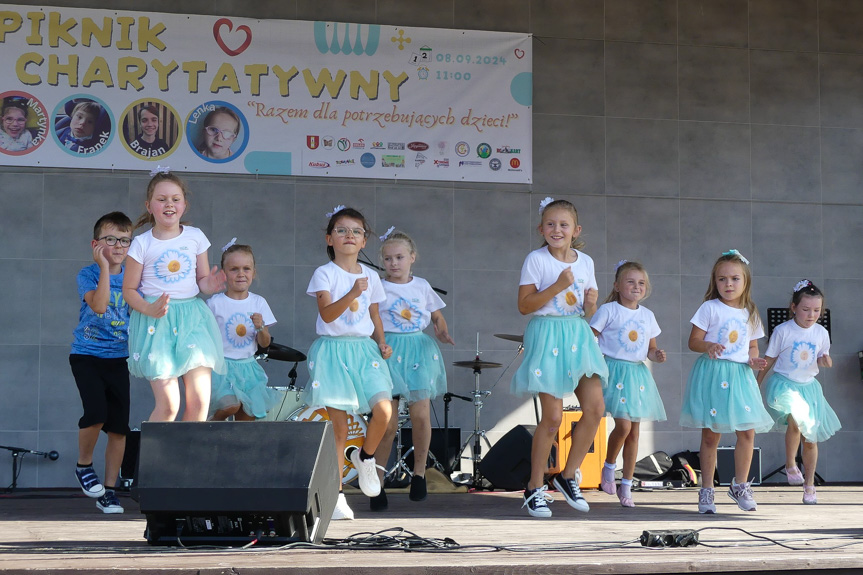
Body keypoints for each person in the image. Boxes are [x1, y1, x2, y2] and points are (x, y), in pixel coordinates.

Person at [511, 197, 608, 518]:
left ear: (576, 230)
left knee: (595, 409)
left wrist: (592, 305)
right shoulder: (536, 260)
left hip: (578, 335)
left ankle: (568, 476)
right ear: (541, 229)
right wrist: (556, 285)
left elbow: (587, 312)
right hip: (547, 334)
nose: (557, 230)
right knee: (552, 417)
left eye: (563, 225)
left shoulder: (586, 262)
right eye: (550, 224)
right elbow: (525, 305)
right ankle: (535, 486)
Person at [303, 205, 394, 521]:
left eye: (356, 231)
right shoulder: (324, 273)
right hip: (332, 352)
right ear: (330, 238)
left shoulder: (371, 275)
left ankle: (365, 457)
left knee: (384, 410)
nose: (349, 235)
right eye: (341, 230)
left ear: (365, 240)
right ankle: (337, 495)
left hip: (364, 351)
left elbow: (374, 313)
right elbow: (327, 314)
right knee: (339, 428)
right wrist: (353, 291)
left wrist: (381, 341)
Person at [121, 168, 226, 422]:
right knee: (169, 406)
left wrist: (209, 285)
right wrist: (148, 309)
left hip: (192, 318)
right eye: (162, 199)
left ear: (184, 205)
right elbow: (128, 290)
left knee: (200, 402)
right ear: (149, 205)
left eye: (175, 198)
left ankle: (187, 460)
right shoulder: (142, 243)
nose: (169, 204)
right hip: (157, 322)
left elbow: (201, 281)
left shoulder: (195, 236)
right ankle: (153, 461)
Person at [681, 249, 774, 514]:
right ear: (715, 281)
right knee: (711, 433)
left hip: (740, 376)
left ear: (745, 282)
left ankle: (740, 484)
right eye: (722, 279)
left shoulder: (750, 312)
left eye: (735, 279)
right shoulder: (709, 308)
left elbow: (752, 346)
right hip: (713, 374)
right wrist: (708, 345)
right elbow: (693, 341)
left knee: (747, 431)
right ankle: (707, 489)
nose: (728, 284)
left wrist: (753, 360)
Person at [371, 228, 454, 511]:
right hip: (389, 351)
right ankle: (377, 482)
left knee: (420, 415)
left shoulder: (422, 286)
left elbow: (437, 315)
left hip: (418, 350)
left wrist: (442, 330)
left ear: (412, 258)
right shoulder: (378, 287)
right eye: (388, 258)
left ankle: (419, 474)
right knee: (388, 422)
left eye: (399, 257)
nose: (394, 263)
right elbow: (371, 320)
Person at [70, 212, 134, 514]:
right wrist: (105, 268)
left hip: (117, 359)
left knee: (119, 428)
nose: (118, 246)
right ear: (96, 244)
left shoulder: (135, 276)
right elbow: (98, 306)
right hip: (87, 355)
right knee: (95, 413)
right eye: (111, 240)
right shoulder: (88, 274)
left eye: (124, 240)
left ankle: (109, 491)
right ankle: (83, 466)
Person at [757, 280, 841, 505]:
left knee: (811, 439)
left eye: (816, 310)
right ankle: (790, 464)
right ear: (794, 307)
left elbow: (825, 358)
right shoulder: (783, 331)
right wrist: (756, 384)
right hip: (785, 384)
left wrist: (826, 360)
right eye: (805, 309)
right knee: (795, 420)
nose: (811, 314)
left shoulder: (821, 332)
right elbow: (770, 358)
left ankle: (810, 484)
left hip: (809, 388)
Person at [590, 260, 666, 508]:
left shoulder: (648, 315)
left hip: (636, 374)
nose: (636, 287)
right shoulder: (609, 310)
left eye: (641, 283)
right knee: (622, 426)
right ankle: (609, 466)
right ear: (617, 285)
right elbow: (592, 336)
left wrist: (656, 355)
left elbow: (650, 349)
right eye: (630, 282)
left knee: (634, 431)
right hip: (614, 371)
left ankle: (627, 485)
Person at [207, 241, 278, 420]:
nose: (241, 274)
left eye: (246, 269)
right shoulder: (215, 303)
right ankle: (209, 424)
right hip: (222, 368)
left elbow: (265, 342)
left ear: (254, 273)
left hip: (248, 369)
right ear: (224, 274)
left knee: (246, 420)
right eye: (234, 269)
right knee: (231, 405)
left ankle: (236, 446)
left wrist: (260, 327)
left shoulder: (258, 302)